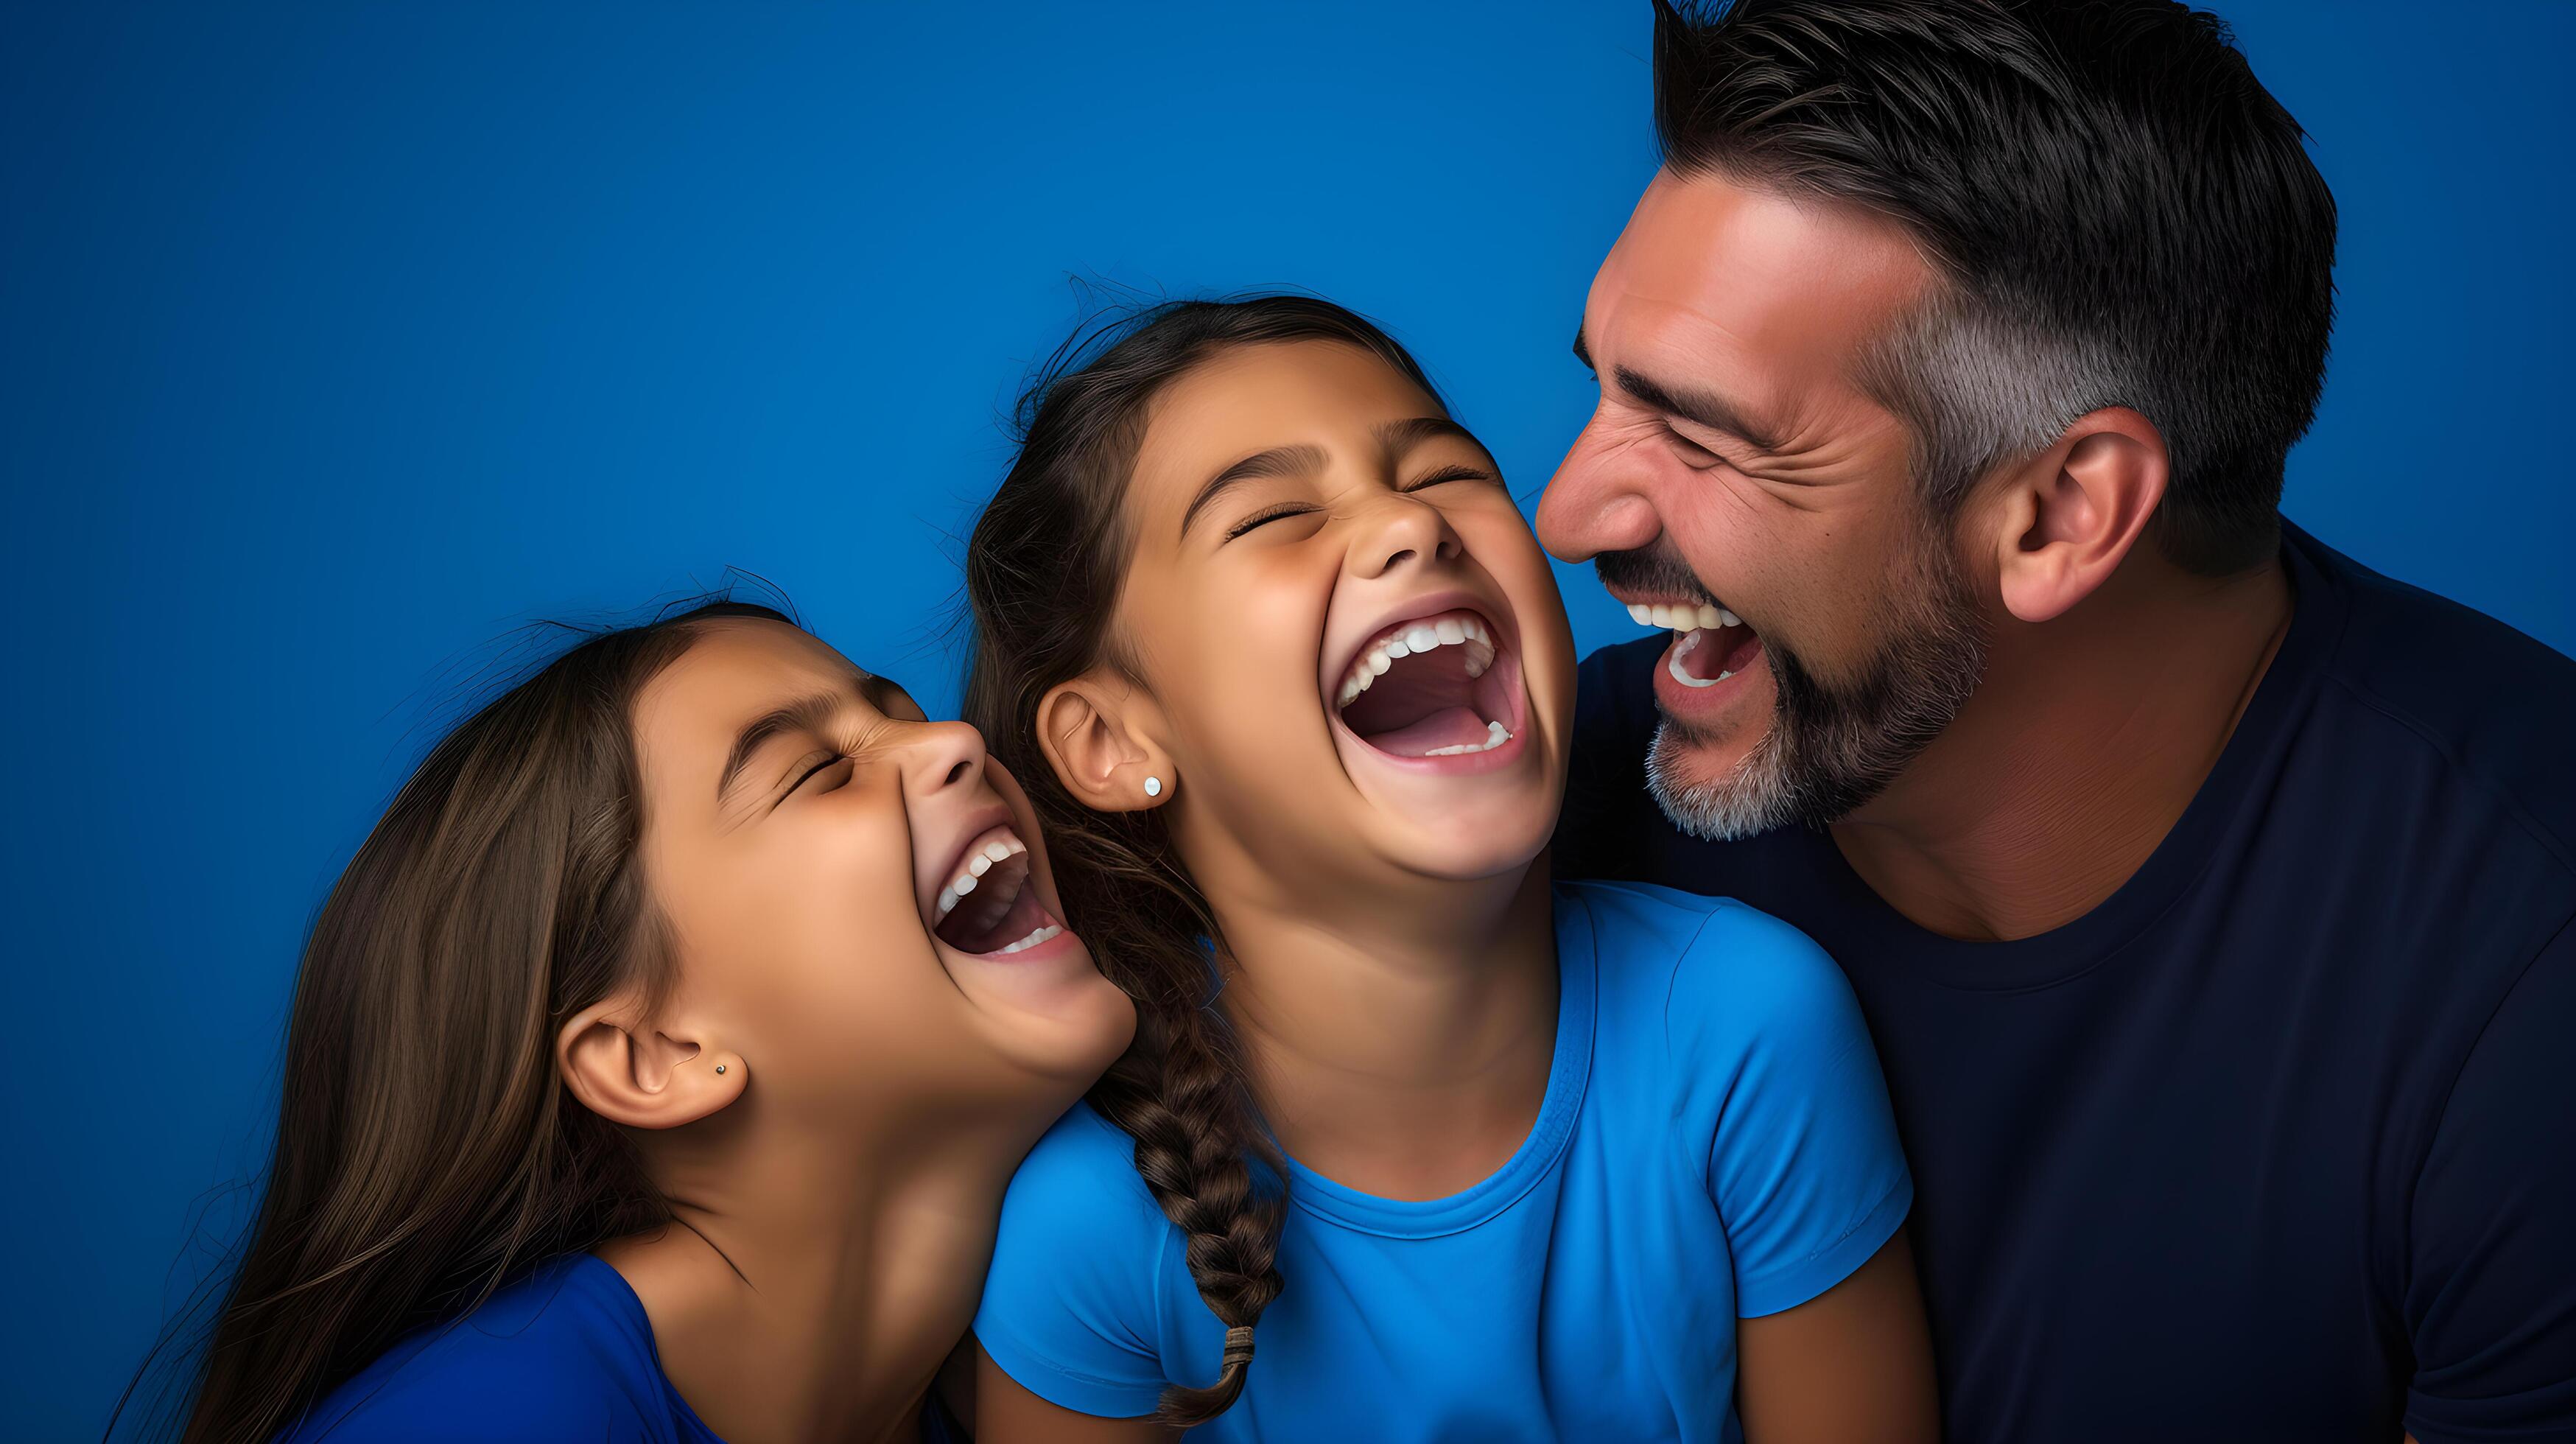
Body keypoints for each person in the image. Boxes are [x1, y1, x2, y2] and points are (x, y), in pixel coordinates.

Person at [1540, 3, 2576, 1442]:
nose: (1565, 510)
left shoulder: (2524, 966)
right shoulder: (1547, 805)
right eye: (1597, 385)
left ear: (2062, 513)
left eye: (1705, 432)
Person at [959, 295, 1938, 1443]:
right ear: (1112, 744)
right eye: (1274, 513)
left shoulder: (1744, 1029)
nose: (1406, 527)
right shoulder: (1086, 1227)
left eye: (1441, 476)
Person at [157, 601, 1135, 1443]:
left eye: (906, 713)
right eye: (815, 772)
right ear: (654, 1056)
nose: (955, 738)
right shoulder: (497, 1418)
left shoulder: (1066, 1375)